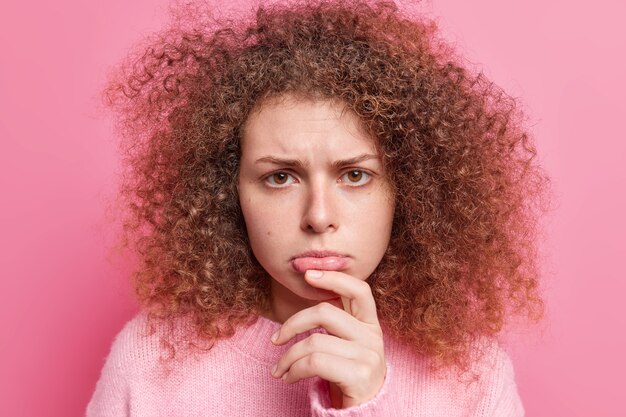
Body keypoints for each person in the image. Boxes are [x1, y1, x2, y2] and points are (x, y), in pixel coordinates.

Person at [87, 0, 550, 415]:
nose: (319, 216)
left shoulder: (475, 379)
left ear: (407, 193)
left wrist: (366, 404)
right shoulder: (151, 360)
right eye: (280, 177)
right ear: (229, 194)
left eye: (355, 175)